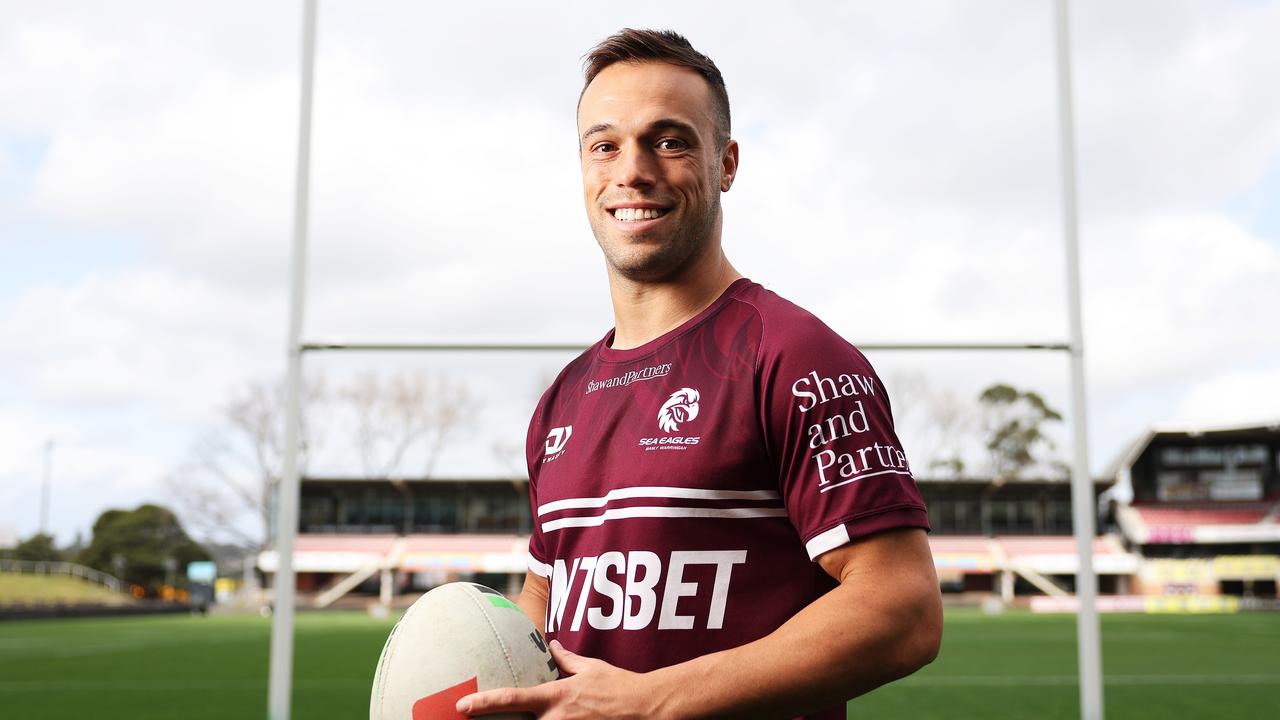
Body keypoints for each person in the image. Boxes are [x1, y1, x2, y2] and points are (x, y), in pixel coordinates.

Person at [460, 29, 941, 719]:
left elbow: (903, 608)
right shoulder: (560, 401)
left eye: (668, 140)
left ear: (726, 163)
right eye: (605, 145)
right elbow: (546, 588)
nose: (632, 170)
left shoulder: (793, 355)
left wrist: (652, 702)